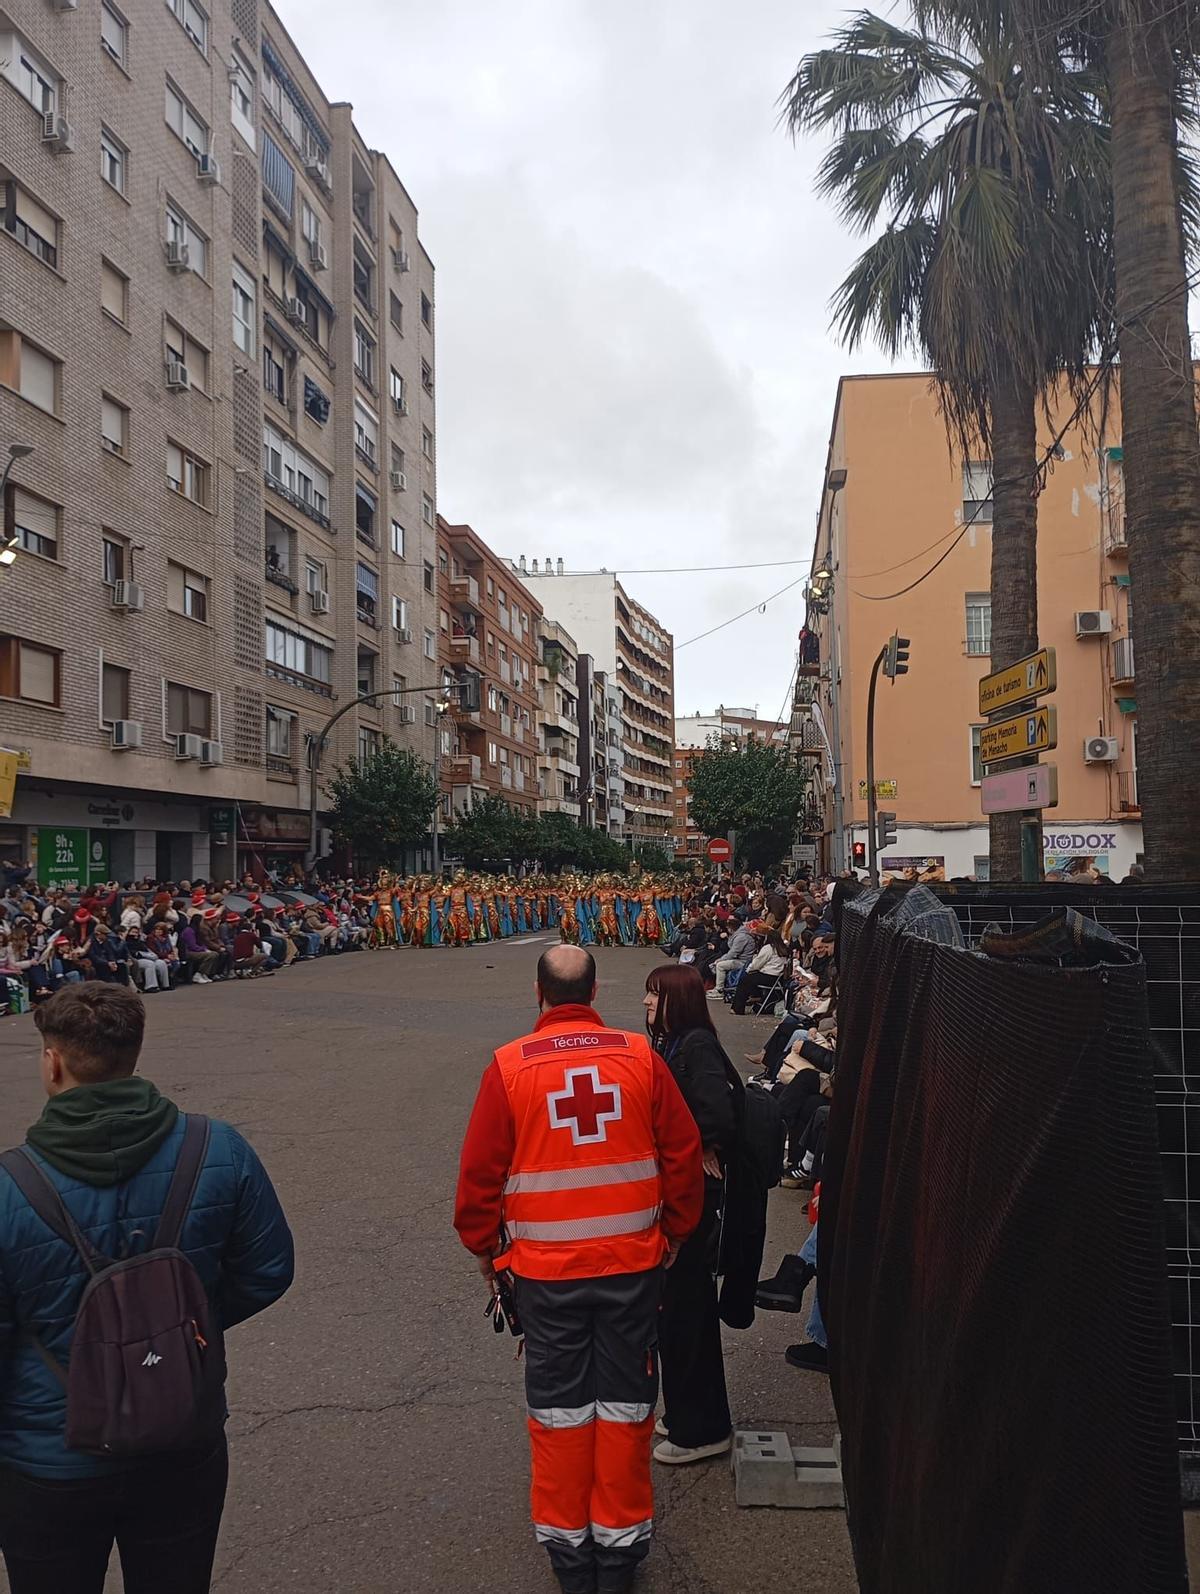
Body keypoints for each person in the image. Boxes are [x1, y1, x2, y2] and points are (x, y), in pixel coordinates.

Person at [0, 982, 294, 1592]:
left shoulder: (9, 1185)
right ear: (134, 1052)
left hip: (51, 1452)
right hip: (182, 1431)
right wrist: (180, 1325)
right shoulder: (219, 1147)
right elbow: (268, 1270)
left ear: (52, 1062)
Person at [454, 945, 704, 1594]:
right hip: (631, 1271)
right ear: (594, 994)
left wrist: (485, 1252)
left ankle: (572, 1557)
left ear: (540, 995)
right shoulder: (640, 1059)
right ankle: (619, 1556)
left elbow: (478, 1180)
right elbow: (683, 1154)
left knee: (561, 1411)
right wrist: (676, 1230)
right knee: (624, 1408)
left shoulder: (508, 1068)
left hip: (544, 1278)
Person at [642, 964, 735, 1465]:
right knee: (676, 1312)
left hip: (696, 1198)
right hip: (684, 1191)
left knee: (686, 1312)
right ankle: (685, 1413)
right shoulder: (678, 1042)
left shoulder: (694, 1045)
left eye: (654, 995)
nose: (647, 1004)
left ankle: (702, 1428)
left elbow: (716, 1113)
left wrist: (697, 1145)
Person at [730, 930, 790, 1015]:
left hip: (767, 976)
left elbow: (757, 964)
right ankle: (756, 997)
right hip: (777, 978)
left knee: (744, 980)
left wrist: (749, 969)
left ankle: (738, 1008)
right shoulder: (783, 948)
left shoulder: (768, 948)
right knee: (751, 979)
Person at [708, 916, 757, 999]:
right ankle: (719, 987)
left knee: (720, 965)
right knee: (720, 962)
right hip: (740, 959)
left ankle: (719, 990)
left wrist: (720, 959)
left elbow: (733, 953)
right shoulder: (738, 935)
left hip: (744, 962)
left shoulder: (741, 937)